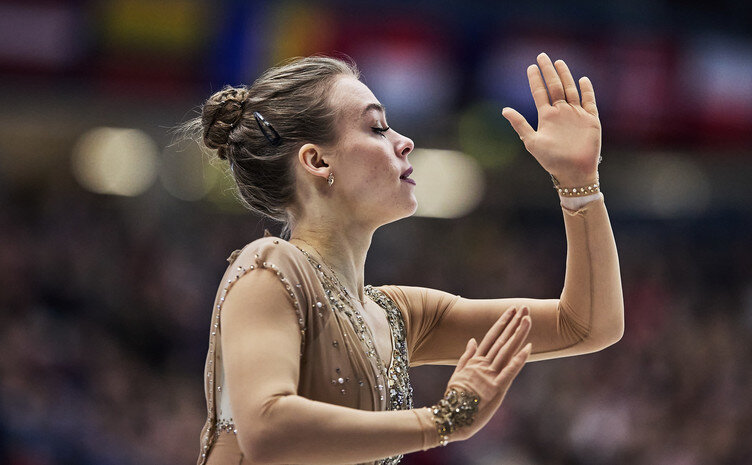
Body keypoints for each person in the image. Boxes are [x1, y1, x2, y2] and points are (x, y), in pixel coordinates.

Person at [188, 53, 623, 464]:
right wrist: (443, 420)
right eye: (377, 128)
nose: (405, 141)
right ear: (317, 160)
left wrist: (580, 184)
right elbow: (266, 427)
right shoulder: (269, 268)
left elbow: (585, 325)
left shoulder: (397, 315)